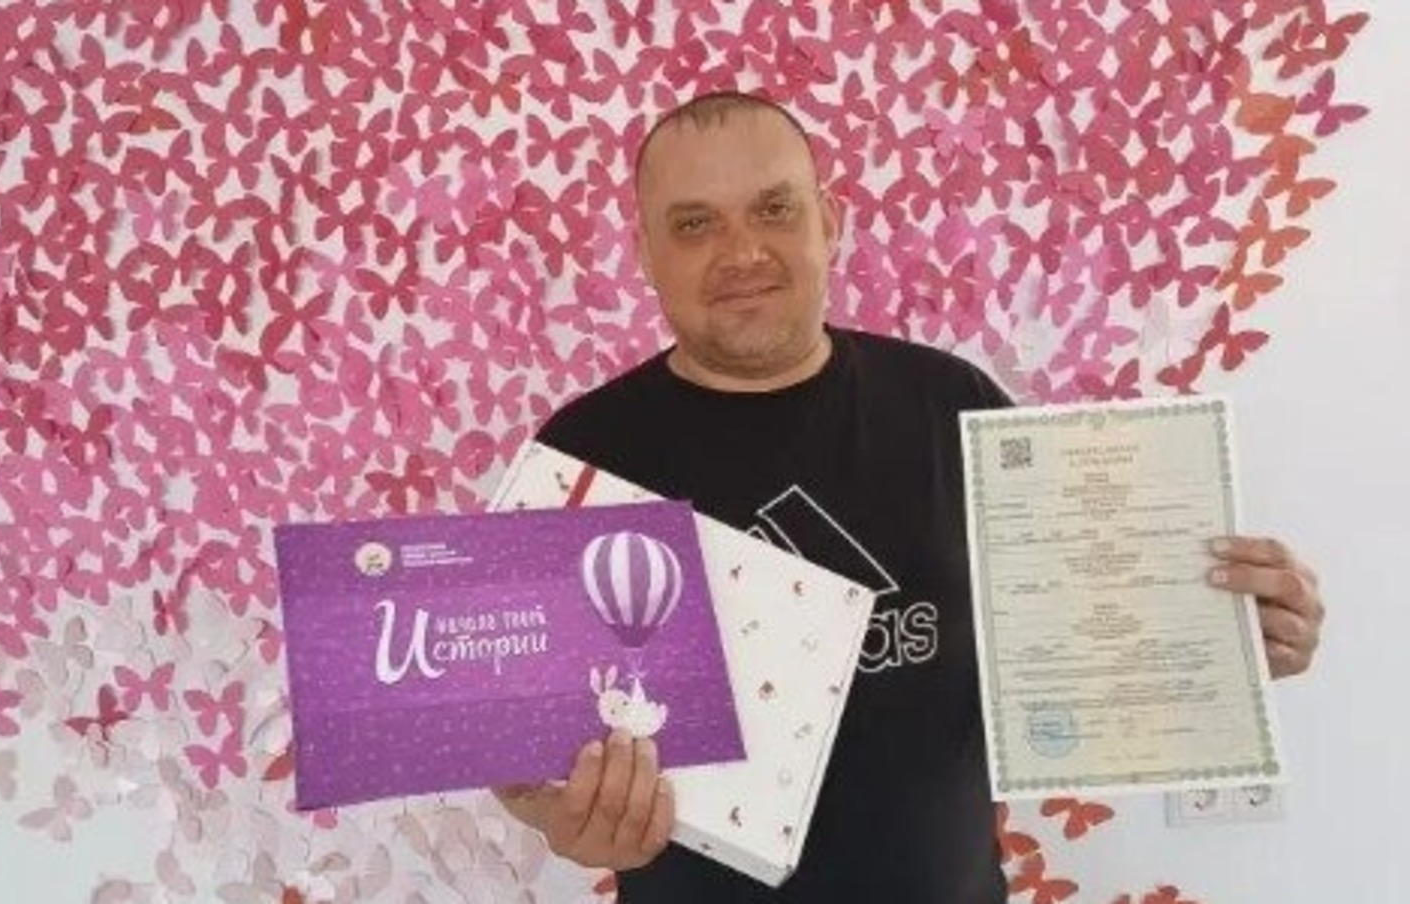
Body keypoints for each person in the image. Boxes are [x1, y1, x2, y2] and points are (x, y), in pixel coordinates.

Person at [492, 91, 1325, 903]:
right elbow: (518, 747)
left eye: (774, 208)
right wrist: (557, 817)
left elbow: (1083, 627)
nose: (741, 251)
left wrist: (1225, 642)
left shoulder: (956, 405)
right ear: (646, 253)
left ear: (830, 221)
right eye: (694, 223)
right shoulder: (579, 459)